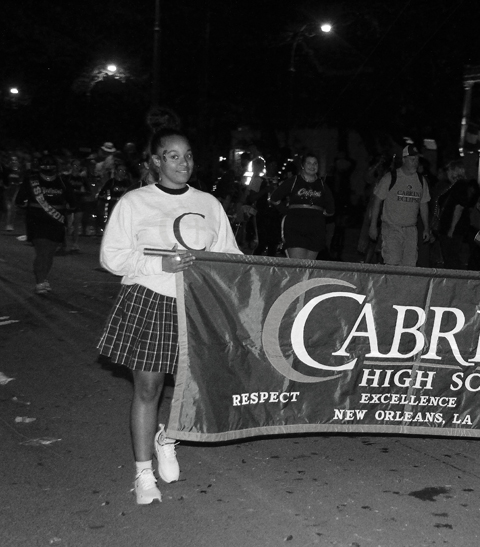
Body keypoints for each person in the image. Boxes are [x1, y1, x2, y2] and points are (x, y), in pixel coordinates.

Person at [97, 127, 241, 505]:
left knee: (193, 386)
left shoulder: (209, 204)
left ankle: (169, 437)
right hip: (150, 298)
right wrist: (159, 261)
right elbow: (111, 257)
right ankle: (143, 473)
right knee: (148, 388)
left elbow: (231, 255)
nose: (184, 163)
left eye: (188, 155)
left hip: (197, 303)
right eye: (173, 155)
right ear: (156, 161)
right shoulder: (134, 202)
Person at [15, 155, 76, 294]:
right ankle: (40, 282)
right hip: (37, 222)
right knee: (42, 251)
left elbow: (72, 204)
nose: (48, 168)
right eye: (45, 165)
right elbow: (19, 200)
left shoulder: (63, 182)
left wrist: (69, 222)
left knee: (49, 253)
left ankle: (43, 278)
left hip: (56, 223)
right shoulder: (31, 181)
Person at [368, 144, 433, 266]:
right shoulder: (390, 178)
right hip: (392, 227)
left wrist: (426, 227)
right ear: (404, 160)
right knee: (392, 261)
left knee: (409, 265)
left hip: (410, 230)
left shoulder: (421, 180)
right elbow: (377, 201)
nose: (415, 163)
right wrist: (373, 225)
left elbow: (424, 204)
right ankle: (390, 285)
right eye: (412, 159)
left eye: (417, 160)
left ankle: (404, 285)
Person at [270, 151, 335, 260]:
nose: (312, 166)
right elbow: (274, 198)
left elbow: (331, 209)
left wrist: (319, 214)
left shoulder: (323, 186)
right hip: (295, 228)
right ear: (303, 165)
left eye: (315, 163)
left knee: (308, 268)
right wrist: (286, 211)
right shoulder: (293, 181)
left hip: (315, 230)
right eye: (309, 163)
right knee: (298, 265)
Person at [433, 160, 473, 269]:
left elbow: (458, 207)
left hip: (453, 228)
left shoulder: (460, 185)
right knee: (449, 257)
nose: (447, 173)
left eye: (450, 170)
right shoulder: (453, 186)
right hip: (448, 226)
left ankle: (453, 282)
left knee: (451, 257)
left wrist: (452, 228)